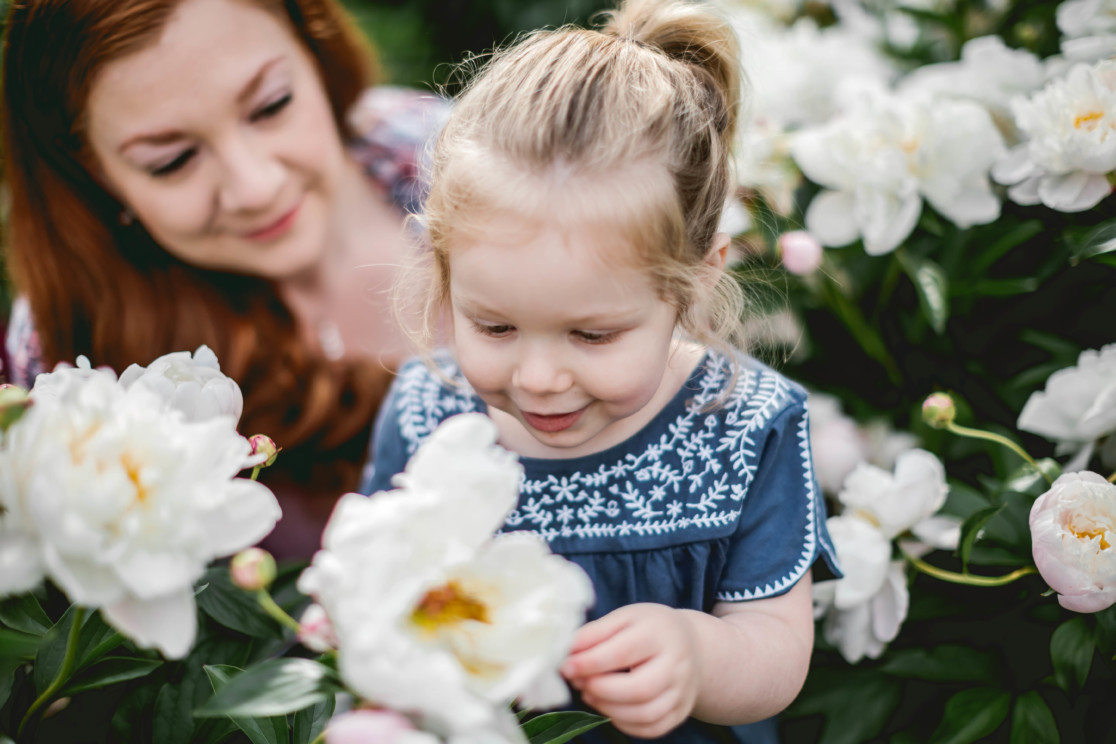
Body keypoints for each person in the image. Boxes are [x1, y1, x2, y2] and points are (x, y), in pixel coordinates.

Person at [363, 0, 842, 740]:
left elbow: (776, 649)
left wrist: (697, 654)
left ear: (697, 280)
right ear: (442, 265)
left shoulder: (748, 426)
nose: (540, 377)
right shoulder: (429, 411)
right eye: (495, 325)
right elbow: (377, 589)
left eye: (591, 334)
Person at [0, 0, 448, 557]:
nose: (255, 187)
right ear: (95, 174)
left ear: (313, 48)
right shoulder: (66, 350)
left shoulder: (458, 158)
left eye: (271, 105)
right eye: (173, 160)